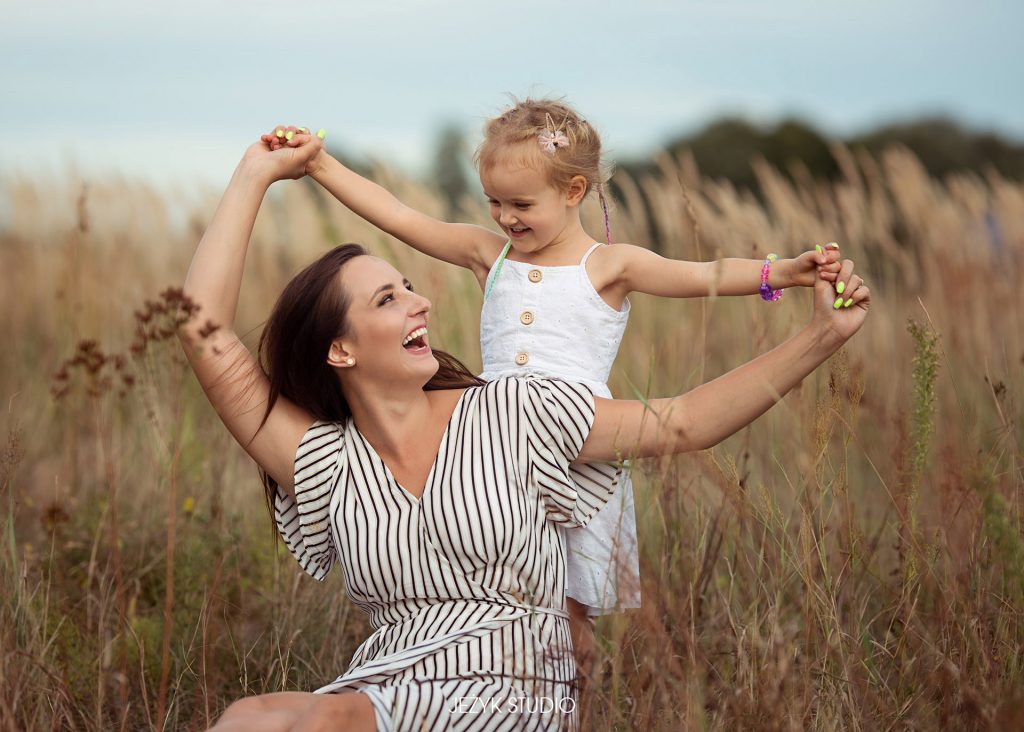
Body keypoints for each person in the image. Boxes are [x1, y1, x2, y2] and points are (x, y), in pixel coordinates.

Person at [185, 130, 868, 731]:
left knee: (332, 718)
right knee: (248, 717)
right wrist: (256, 172)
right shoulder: (327, 462)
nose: (422, 299)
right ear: (340, 351)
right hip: (387, 676)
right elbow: (202, 334)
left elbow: (683, 421)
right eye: (388, 299)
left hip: (511, 683)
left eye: (407, 285)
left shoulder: (518, 412)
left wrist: (821, 336)